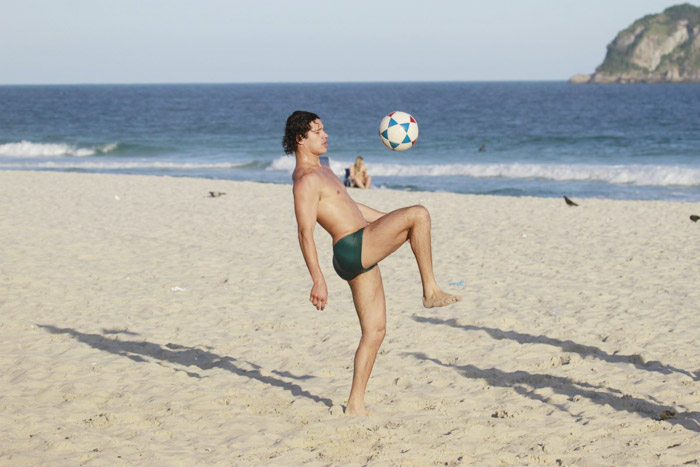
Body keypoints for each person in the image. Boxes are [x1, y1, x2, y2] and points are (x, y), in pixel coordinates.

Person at [283, 110, 461, 416]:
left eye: (324, 129)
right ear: (300, 138)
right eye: (317, 131)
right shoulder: (306, 180)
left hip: (361, 246)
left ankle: (355, 404)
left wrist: (392, 222)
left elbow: (351, 207)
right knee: (419, 212)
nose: (325, 135)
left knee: (375, 331)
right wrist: (318, 279)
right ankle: (430, 291)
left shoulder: (324, 169)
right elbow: (304, 233)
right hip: (351, 248)